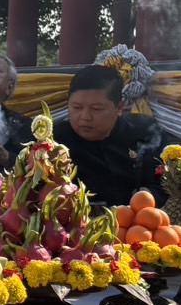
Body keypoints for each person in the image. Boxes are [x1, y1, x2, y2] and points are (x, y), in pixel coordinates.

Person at [53, 65, 166, 207]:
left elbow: (165, 182)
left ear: (119, 107)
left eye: (96, 109)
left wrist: (147, 196)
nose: (85, 117)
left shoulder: (144, 133)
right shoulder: (53, 142)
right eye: (77, 107)